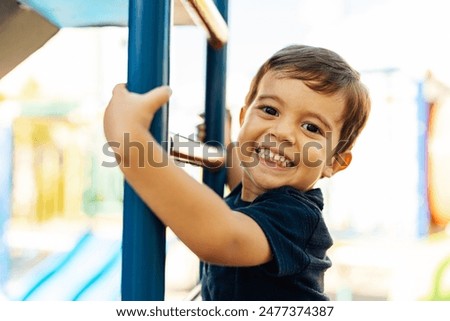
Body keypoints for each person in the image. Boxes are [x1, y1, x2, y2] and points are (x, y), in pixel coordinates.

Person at [103, 44, 371, 300]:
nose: (282, 132)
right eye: (269, 110)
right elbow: (239, 175)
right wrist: (227, 139)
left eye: (311, 128)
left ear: (334, 162)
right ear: (245, 117)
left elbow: (222, 238)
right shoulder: (254, 191)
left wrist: (133, 148)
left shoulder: (297, 217)